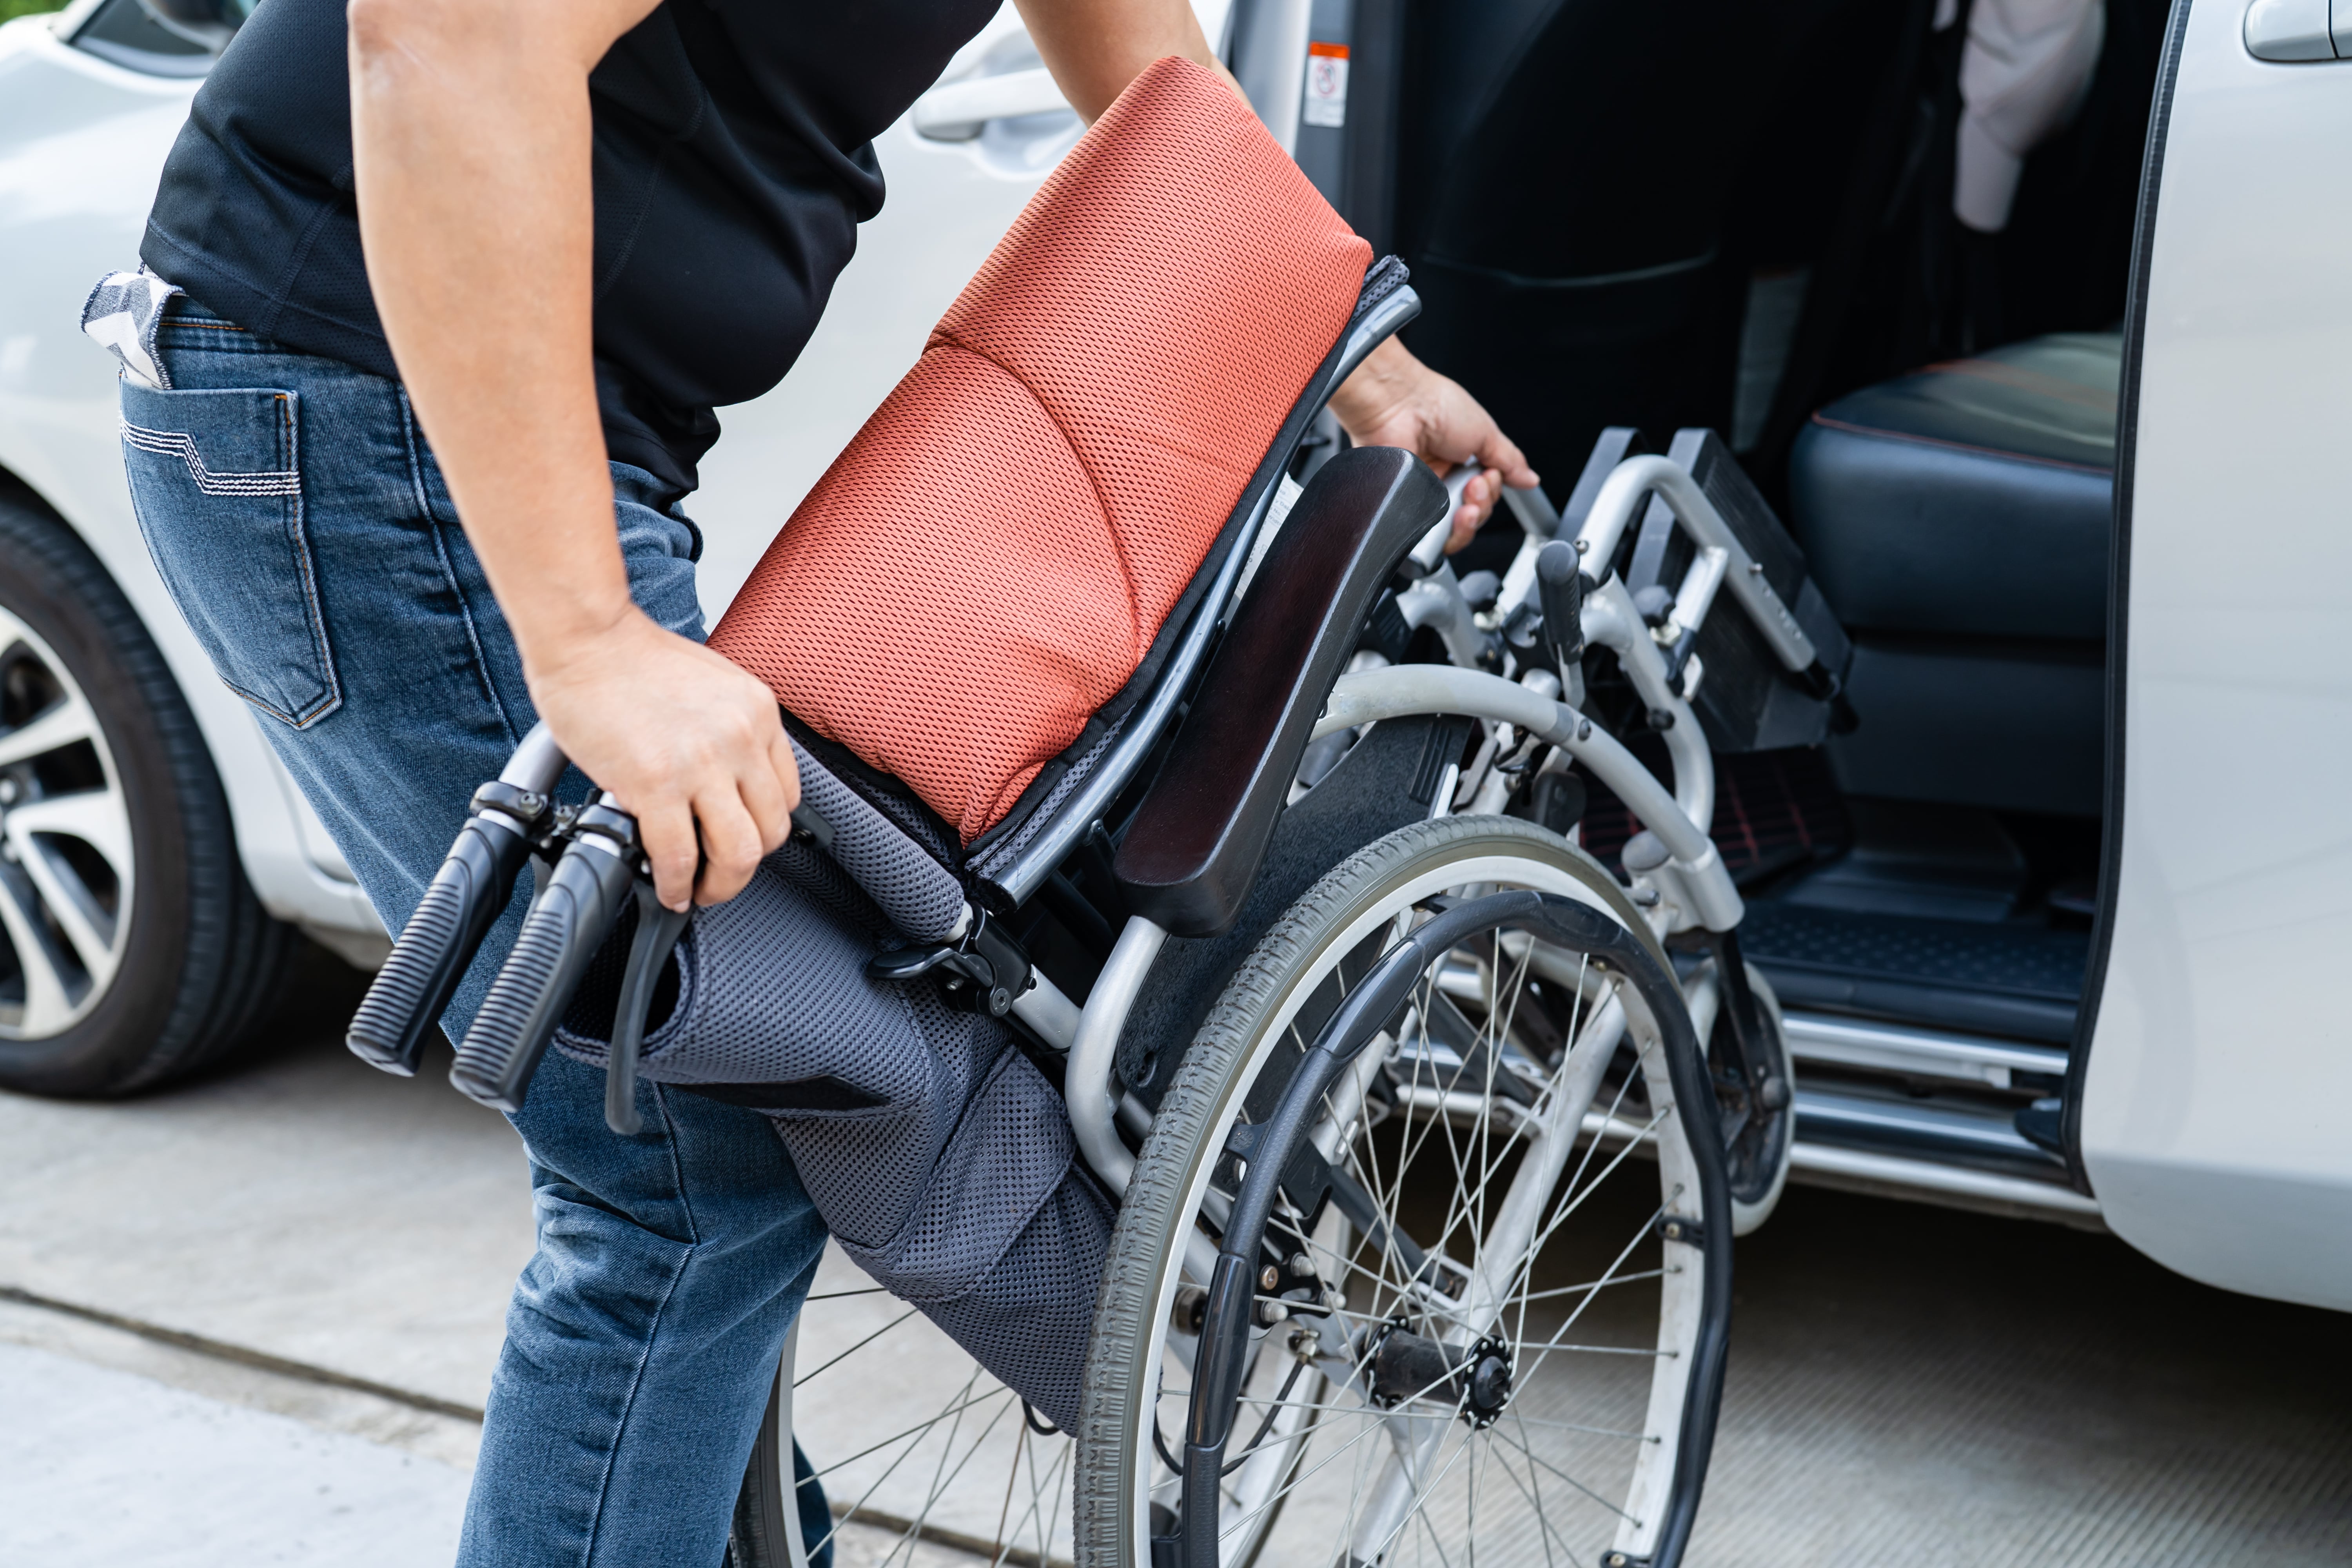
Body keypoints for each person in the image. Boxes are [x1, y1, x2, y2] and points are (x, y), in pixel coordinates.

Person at [105, 0, 1538, 1560]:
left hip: (413, 420)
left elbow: (1140, 59)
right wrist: (589, 640)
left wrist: (1356, 358)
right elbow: (449, 33)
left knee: (718, 1124)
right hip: (361, 419)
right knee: (688, 1174)